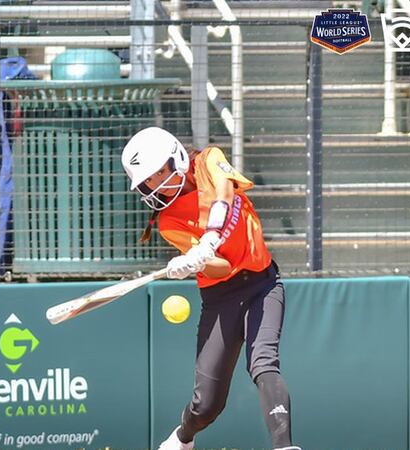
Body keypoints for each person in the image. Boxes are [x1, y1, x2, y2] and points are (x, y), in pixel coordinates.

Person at [121, 127, 300, 450]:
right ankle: (182, 438)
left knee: (263, 363)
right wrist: (193, 261)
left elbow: (225, 191)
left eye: (159, 171)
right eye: (147, 180)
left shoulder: (208, 161)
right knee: (207, 406)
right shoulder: (168, 222)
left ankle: (285, 446)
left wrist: (211, 236)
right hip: (221, 298)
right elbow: (223, 267)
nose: (156, 183)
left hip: (264, 284)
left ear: (175, 158)